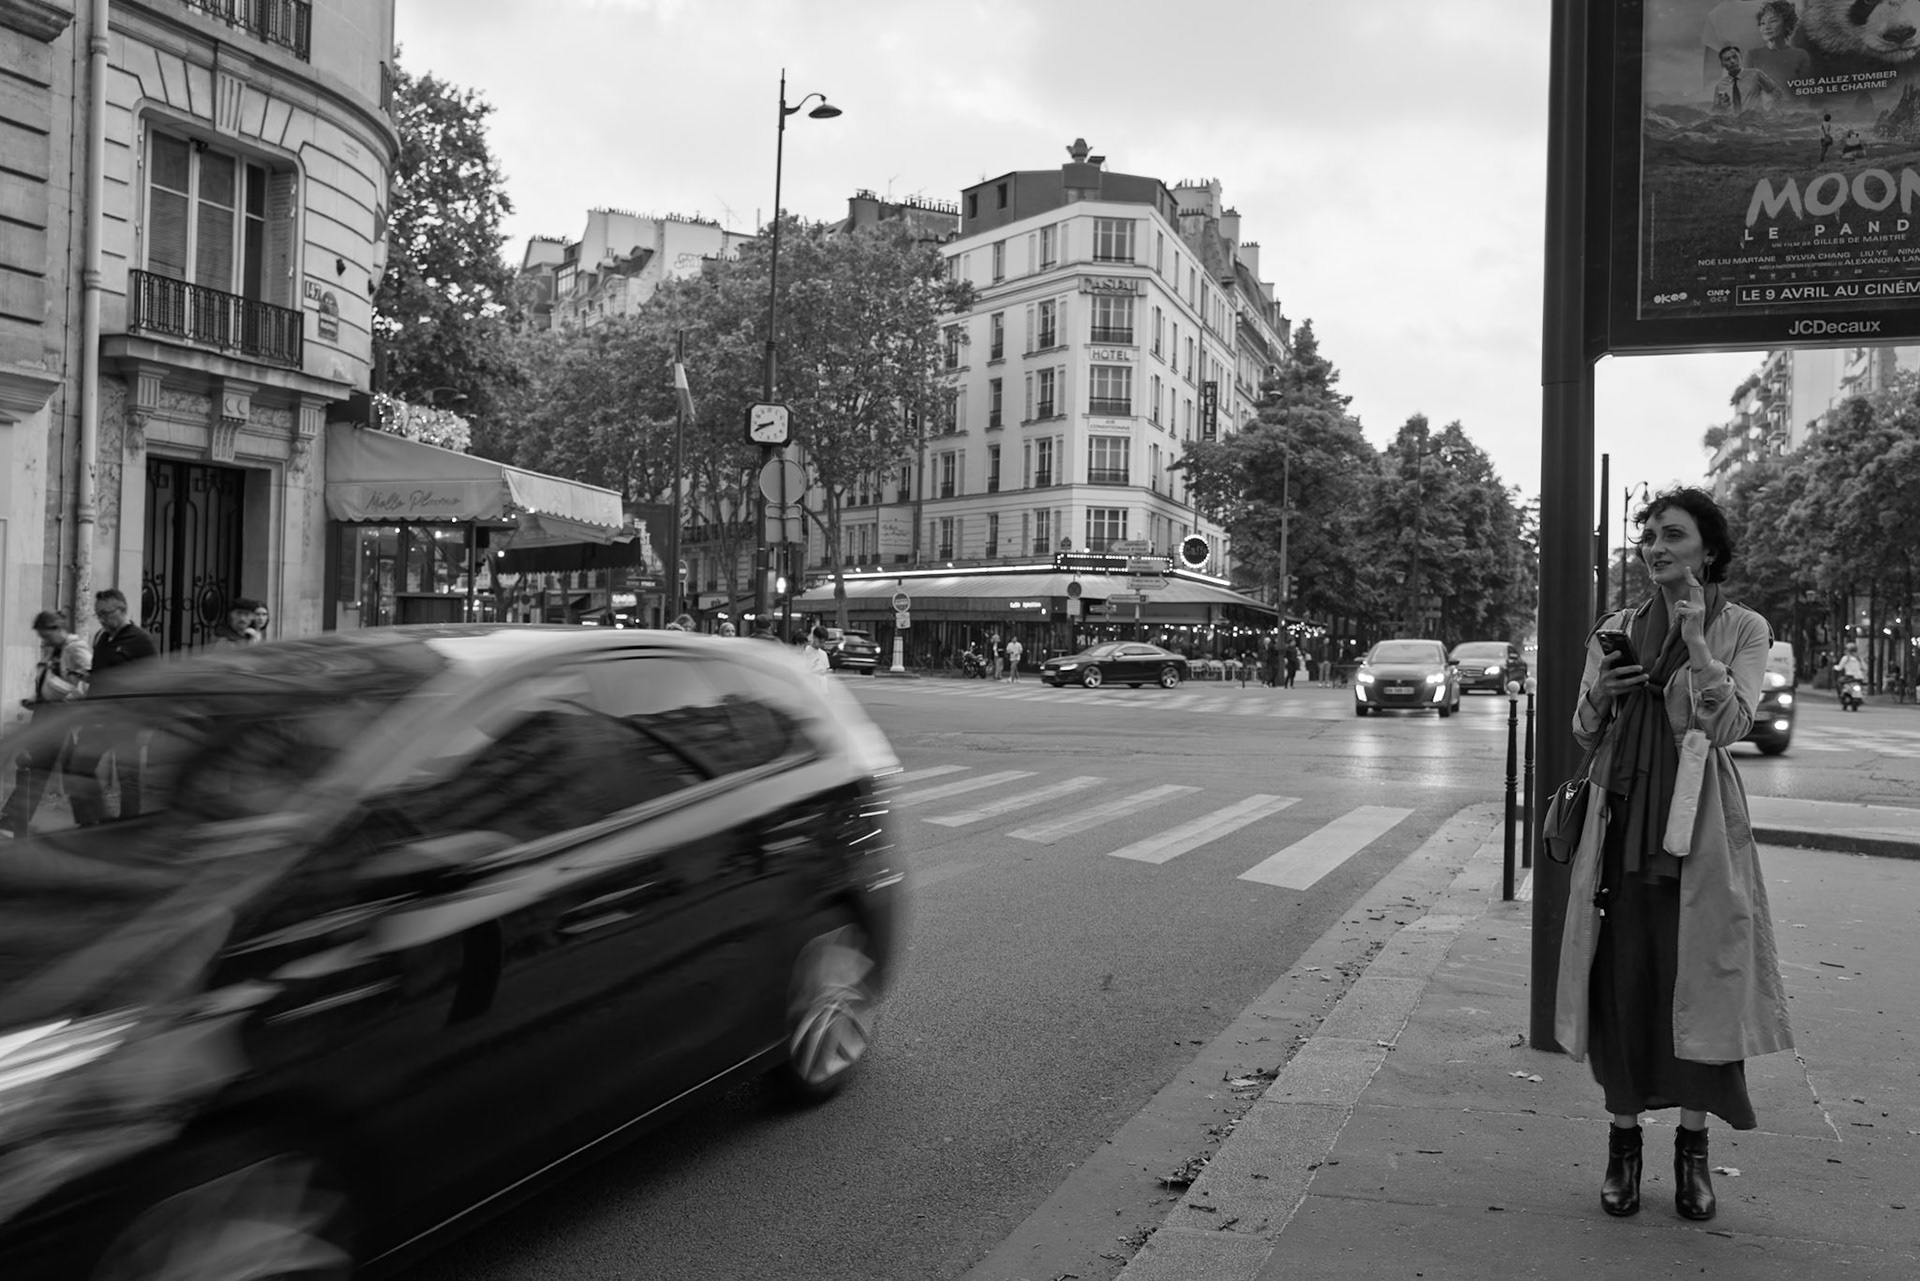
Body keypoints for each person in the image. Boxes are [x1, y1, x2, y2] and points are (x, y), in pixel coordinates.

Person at [1557, 486, 1791, 1224]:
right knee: (1625, 980)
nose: (1656, 546)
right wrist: (1604, 690)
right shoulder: (1617, 627)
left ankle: (1693, 1150)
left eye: (1674, 534)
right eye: (1650, 535)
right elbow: (1583, 729)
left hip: (1702, 830)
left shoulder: (1744, 627)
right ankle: (1623, 1146)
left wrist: (1695, 643)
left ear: (1708, 550)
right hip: (1622, 821)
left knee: (1700, 981)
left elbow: (1730, 726)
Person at [1, 610, 93, 837]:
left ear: (57, 629)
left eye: (46, 636)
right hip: (49, 714)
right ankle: (89, 819)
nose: (44, 641)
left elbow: (89, 681)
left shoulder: (76, 648)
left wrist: (65, 699)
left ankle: (13, 819)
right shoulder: (57, 649)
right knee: (64, 769)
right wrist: (38, 699)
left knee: (39, 767)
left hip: (61, 717)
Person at [84, 589, 159, 821]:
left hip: (127, 720)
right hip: (97, 716)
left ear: (122, 610)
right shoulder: (102, 638)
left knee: (127, 776)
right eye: (98, 614)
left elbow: (153, 683)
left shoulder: (140, 640)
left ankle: (127, 825)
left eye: (106, 613)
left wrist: (146, 724)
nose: (102, 619)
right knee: (79, 765)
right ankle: (91, 818)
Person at [1744, 2, 1810, 101]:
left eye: (1773, 21)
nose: (1766, 27)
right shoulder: (1751, 55)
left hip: (1794, 109)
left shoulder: (1800, 55)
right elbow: (1747, 94)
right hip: (1761, 110)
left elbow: (1806, 94)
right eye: (1762, 23)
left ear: (1787, 24)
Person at [1710, 45, 1780, 116]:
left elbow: (1776, 91)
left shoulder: (1756, 75)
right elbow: (1715, 110)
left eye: (1735, 57)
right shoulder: (1720, 85)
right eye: (1727, 59)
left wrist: (1770, 108)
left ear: (1741, 58)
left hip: (1755, 120)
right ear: (1722, 64)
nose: (1732, 61)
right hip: (1732, 121)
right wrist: (1720, 106)